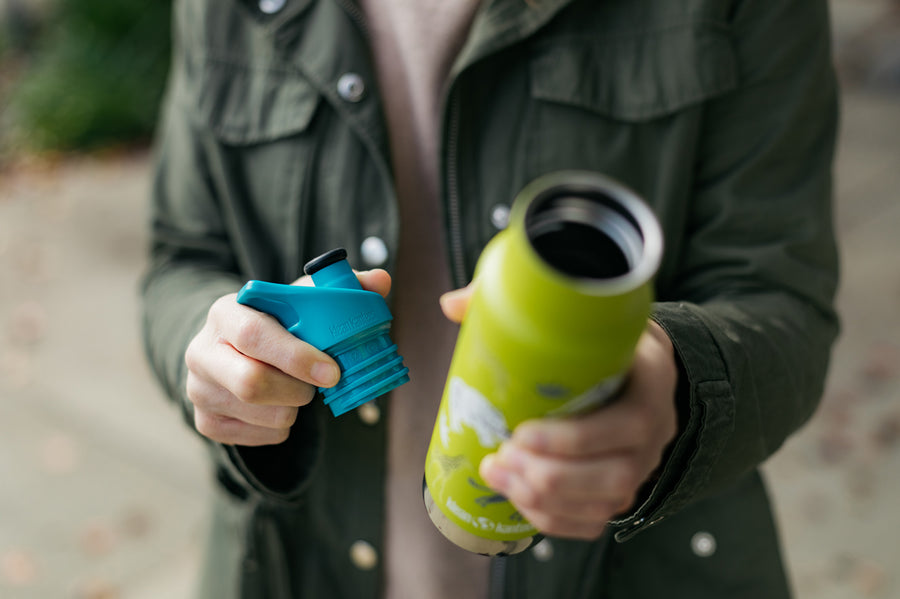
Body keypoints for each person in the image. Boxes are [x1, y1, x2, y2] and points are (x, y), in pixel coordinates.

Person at [140, 0, 840, 597]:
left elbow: (781, 296)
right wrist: (216, 359)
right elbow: (181, 260)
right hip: (298, 565)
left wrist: (676, 386)